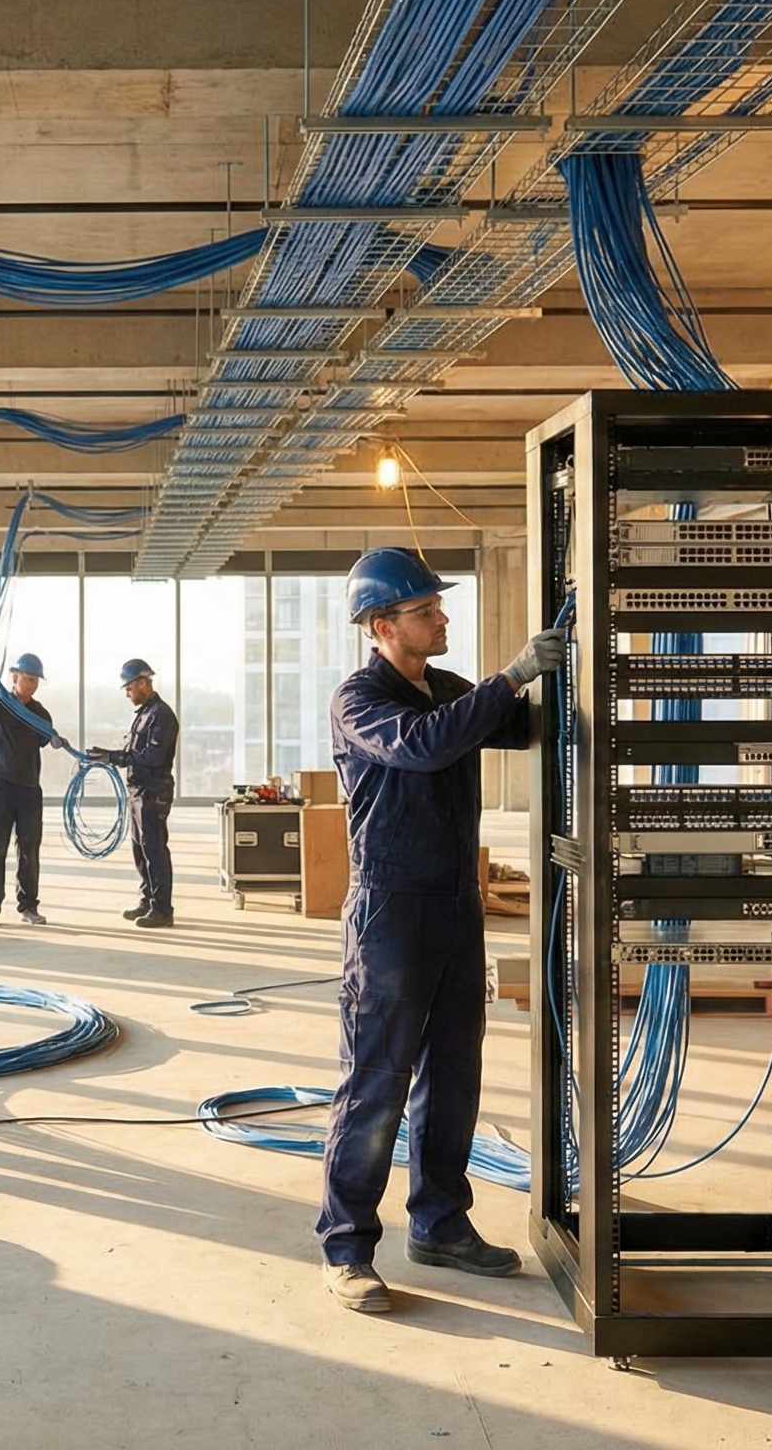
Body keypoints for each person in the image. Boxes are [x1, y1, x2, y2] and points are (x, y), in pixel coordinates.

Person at [316, 547, 563, 1314]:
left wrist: (570, 671)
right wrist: (515, 672)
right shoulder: (359, 699)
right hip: (390, 912)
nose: (441, 617)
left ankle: (440, 1224)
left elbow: (519, 726)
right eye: (425, 610)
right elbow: (424, 745)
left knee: (454, 1074)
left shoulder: (448, 689)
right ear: (382, 626)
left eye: (437, 605)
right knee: (377, 1080)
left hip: (457, 905)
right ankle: (347, 1248)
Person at [0, 653, 54, 926]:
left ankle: (29, 906)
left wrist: (54, 736)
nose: (32, 685)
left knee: (29, 849)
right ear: (14, 677)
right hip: (0, 785)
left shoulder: (40, 714)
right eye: (28, 679)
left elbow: (45, 737)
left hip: (29, 788)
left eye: (35, 680)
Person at [91, 659, 179, 928]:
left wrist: (114, 757)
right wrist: (110, 756)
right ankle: (148, 900)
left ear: (143, 683)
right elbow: (136, 752)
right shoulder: (145, 713)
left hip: (153, 793)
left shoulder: (161, 715)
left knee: (154, 850)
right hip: (139, 792)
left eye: (129, 688)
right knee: (140, 850)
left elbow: (153, 757)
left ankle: (162, 909)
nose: (127, 693)